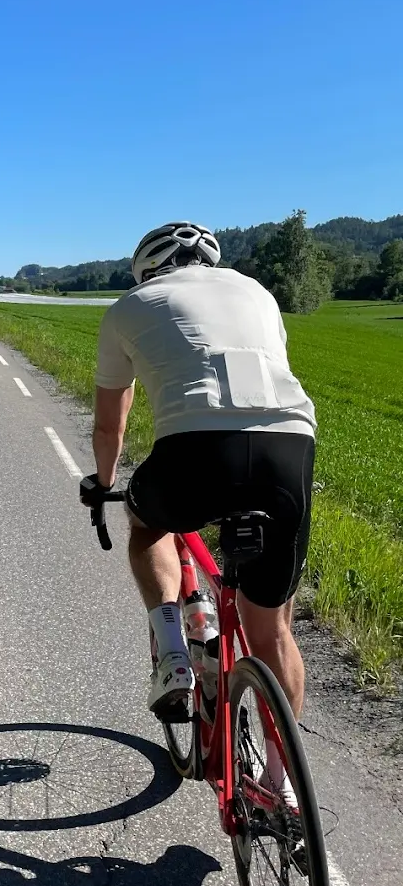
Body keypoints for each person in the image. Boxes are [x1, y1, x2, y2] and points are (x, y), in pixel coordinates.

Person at [79, 222, 316, 732]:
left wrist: (102, 483)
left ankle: (171, 654)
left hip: (193, 450)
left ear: (145, 269)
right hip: (288, 445)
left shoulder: (131, 305)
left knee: (146, 525)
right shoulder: (258, 293)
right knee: (272, 629)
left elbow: (108, 424)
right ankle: (284, 786)